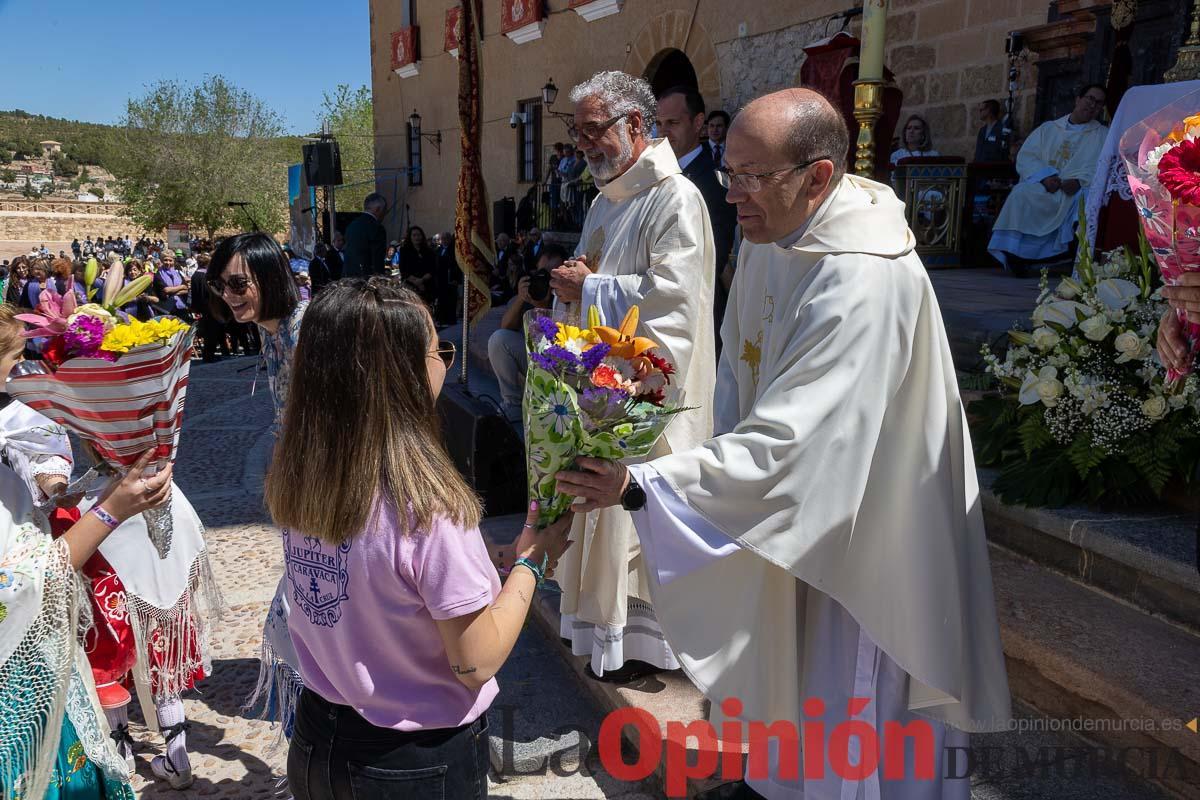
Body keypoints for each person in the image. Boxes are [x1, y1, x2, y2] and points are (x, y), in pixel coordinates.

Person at [556, 88, 1013, 799]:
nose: (730, 193)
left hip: (866, 538)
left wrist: (644, 483)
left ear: (818, 176)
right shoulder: (774, 233)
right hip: (792, 512)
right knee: (790, 699)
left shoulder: (861, 276)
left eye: (751, 176)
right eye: (729, 172)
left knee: (848, 708)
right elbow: (741, 380)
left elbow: (797, 439)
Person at [266, 278, 572, 799]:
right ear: (403, 375)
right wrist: (532, 564)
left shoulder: (300, 478)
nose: (444, 364)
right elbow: (474, 661)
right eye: (438, 351)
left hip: (317, 741)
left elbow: (381, 578)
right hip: (410, 764)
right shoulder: (427, 509)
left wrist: (483, 563)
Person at [549, 70, 716, 681]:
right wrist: (573, 293)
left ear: (635, 124)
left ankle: (644, 647)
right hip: (600, 386)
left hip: (649, 394)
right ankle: (600, 633)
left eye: (593, 130)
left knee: (634, 517)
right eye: (578, 132)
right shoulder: (605, 199)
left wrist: (590, 287)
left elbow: (675, 302)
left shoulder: (676, 198)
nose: (584, 145)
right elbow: (591, 281)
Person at [1, 446, 171, 800]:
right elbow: (22, 584)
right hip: (17, 697)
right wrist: (110, 511)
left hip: (39, 671)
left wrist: (75, 495)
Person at [207, 232, 309, 743]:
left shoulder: (305, 328)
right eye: (220, 285)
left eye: (237, 283)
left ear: (269, 276)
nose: (228, 295)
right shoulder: (271, 332)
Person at [988, 83, 1108, 275]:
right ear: (1078, 99)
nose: (1093, 105)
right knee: (1020, 193)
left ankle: (1064, 257)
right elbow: (1027, 156)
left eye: (1099, 103)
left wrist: (1079, 181)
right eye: (1090, 99)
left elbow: (1104, 166)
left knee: (1086, 200)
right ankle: (1016, 257)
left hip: (1074, 189)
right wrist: (1044, 177)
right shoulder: (1049, 129)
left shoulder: (1103, 135)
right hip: (1046, 185)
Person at [657, 85, 739, 335]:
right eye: (659, 124)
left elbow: (715, 254)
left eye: (673, 123)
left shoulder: (714, 181)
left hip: (692, 311)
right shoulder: (653, 175)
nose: (663, 132)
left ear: (698, 122)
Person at [487, 243, 565, 421]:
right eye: (542, 273)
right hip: (534, 359)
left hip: (561, 365)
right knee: (499, 339)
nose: (547, 279)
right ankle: (512, 404)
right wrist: (521, 299)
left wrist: (544, 308)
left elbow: (556, 344)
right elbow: (505, 327)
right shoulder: (535, 290)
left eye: (553, 274)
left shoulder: (569, 296)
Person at [190, 253, 230, 362]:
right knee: (211, 332)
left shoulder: (195, 276)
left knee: (213, 330)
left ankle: (219, 352)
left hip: (204, 308)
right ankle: (209, 355)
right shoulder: (205, 276)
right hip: (210, 307)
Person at [341, 193, 388, 277]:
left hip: (349, 275)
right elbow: (377, 258)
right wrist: (380, 277)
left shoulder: (351, 225)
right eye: (384, 210)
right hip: (367, 277)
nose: (385, 214)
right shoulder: (377, 228)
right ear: (377, 209)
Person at [398, 225, 436, 304]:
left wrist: (422, 280)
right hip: (410, 286)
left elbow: (433, 269)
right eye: (414, 235)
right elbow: (403, 269)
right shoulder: (404, 251)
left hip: (426, 286)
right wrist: (416, 282)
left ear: (422, 236)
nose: (417, 237)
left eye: (419, 235)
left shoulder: (430, 252)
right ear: (410, 237)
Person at [153, 250, 191, 320]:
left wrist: (172, 292)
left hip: (181, 307)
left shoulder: (177, 273)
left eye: (170, 260)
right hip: (166, 309)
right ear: (162, 260)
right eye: (165, 260)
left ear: (174, 261)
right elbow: (166, 290)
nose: (168, 262)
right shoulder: (158, 274)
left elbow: (186, 289)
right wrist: (181, 287)